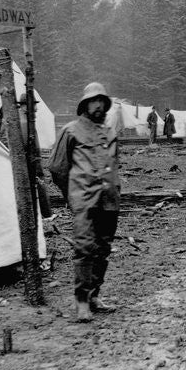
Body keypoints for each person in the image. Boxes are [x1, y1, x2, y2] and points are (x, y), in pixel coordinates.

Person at [48, 82, 121, 322]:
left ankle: (94, 296)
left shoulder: (110, 133)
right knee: (85, 249)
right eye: (93, 101)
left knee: (103, 249)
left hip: (109, 201)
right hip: (84, 201)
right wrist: (74, 195)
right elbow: (58, 168)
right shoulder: (71, 131)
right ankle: (81, 301)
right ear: (85, 105)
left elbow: (113, 165)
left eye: (101, 101)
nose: (98, 105)